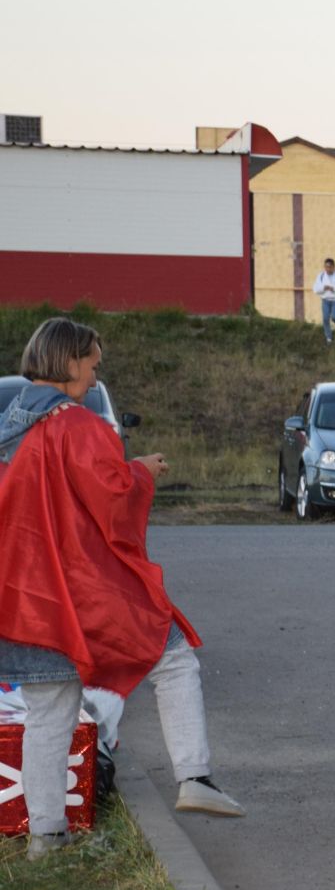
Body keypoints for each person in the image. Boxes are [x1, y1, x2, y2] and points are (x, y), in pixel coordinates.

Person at [0, 317, 244, 860]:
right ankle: (195, 777)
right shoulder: (77, 425)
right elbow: (111, 500)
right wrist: (142, 472)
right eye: (91, 363)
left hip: (21, 600)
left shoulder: (7, 429)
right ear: (67, 362)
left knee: (47, 714)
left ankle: (46, 835)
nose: (93, 374)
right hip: (82, 591)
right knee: (174, 655)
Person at [313, 259, 335, 343]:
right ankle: (329, 338)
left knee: (334, 316)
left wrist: (334, 289)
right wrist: (323, 288)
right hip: (325, 300)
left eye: (329, 267)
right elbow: (315, 289)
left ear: (333, 267)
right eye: (326, 267)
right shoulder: (321, 276)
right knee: (325, 318)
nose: (327, 269)